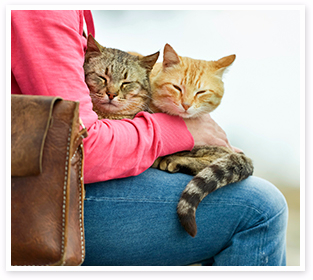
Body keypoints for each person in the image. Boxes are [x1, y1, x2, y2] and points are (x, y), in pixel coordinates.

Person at [11, 10, 288, 266]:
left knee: (240, 187)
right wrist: (183, 132)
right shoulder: (42, 11)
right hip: (36, 201)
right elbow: (81, 147)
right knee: (259, 208)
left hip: (43, 185)